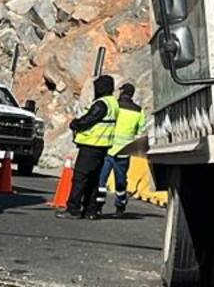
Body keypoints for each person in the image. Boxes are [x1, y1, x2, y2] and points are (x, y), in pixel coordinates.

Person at [58, 75, 118, 220]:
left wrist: (76, 124)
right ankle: (90, 210)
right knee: (93, 179)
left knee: (80, 178)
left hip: (91, 146)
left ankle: (73, 209)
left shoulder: (102, 103)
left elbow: (90, 119)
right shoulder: (113, 103)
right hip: (102, 147)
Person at [93, 82, 147, 217]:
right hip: (124, 151)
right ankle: (120, 206)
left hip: (108, 148)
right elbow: (141, 131)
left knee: (101, 180)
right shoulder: (138, 111)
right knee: (121, 181)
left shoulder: (115, 106)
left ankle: (97, 207)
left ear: (122, 92)